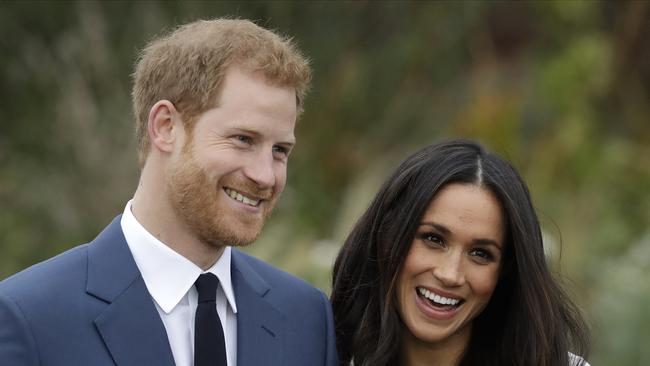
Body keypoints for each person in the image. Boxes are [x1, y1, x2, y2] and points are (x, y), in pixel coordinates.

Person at [0, 18, 337, 366]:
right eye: (243, 140)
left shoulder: (306, 319)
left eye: (280, 150)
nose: (266, 175)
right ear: (165, 127)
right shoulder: (29, 320)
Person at [331, 139, 590, 366]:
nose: (450, 274)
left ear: (506, 271)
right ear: (386, 236)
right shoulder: (320, 355)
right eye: (433, 239)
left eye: (480, 254)